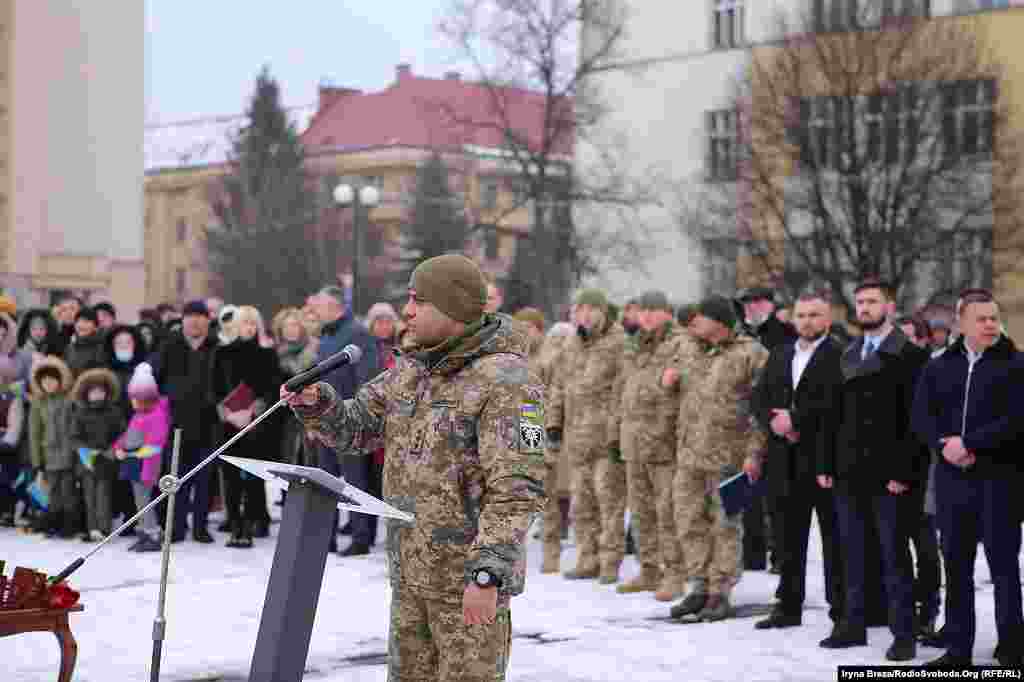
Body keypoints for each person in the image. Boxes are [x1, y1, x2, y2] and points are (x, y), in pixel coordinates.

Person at [282, 254, 545, 682]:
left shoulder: (508, 383)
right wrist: (318, 404)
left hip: (467, 586)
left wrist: (486, 574)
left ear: (453, 308)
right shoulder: (413, 369)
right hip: (411, 576)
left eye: (418, 301)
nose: (407, 311)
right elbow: (357, 428)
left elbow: (519, 489)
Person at [818, 280, 929, 662]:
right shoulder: (847, 353)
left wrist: (904, 471)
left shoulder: (911, 356)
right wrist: (826, 464)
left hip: (890, 475)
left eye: (872, 302)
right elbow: (833, 417)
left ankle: (904, 633)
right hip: (849, 471)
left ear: (890, 307)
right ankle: (852, 625)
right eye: (860, 302)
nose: (864, 308)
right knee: (852, 551)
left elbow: (916, 421)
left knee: (894, 556)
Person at [912, 289, 1024, 668]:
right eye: (982, 318)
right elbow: (921, 417)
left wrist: (971, 443)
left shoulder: (1016, 365)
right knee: (956, 569)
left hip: (1000, 482)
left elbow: (1017, 420)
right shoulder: (940, 366)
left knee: (1004, 569)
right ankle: (958, 651)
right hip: (952, 482)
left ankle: (1012, 648)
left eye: (994, 317)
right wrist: (944, 445)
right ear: (961, 323)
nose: (991, 324)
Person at [667, 296, 768, 622]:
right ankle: (698, 586)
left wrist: (755, 452)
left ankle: (720, 591)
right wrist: (666, 382)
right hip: (689, 455)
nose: (694, 321)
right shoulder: (690, 348)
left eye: (701, 317)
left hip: (730, 457)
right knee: (688, 520)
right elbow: (671, 390)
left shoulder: (750, 353)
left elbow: (761, 410)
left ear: (720, 320)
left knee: (725, 525)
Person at [752, 290, 845, 630]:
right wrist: (775, 422)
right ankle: (788, 605)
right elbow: (759, 397)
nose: (807, 321)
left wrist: (797, 420)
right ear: (793, 319)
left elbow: (838, 404)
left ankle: (841, 610)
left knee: (835, 541)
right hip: (782, 459)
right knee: (788, 538)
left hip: (823, 460)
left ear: (828, 318)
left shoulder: (840, 355)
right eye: (802, 315)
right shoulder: (779, 354)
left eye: (814, 315)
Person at [614, 291, 693, 602]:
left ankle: (675, 573)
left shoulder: (680, 343)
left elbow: (682, 385)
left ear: (667, 312)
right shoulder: (634, 344)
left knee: (668, 512)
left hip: (664, 442)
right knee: (641, 511)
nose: (646, 316)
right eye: (642, 310)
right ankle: (649, 569)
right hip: (633, 441)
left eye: (653, 310)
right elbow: (622, 391)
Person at [546, 289, 626, 583]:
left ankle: (609, 561)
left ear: (602, 312)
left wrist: (618, 434)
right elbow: (558, 385)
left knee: (610, 502)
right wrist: (553, 424)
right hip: (576, 438)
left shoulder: (618, 343)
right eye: (579, 309)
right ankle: (587, 557)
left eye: (590, 309)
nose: (584, 315)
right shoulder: (571, 344)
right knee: (581, 504)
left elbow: (623, 392)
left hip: (606, 439)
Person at [308, 285, 378, 556]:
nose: (315, 310)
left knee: (354, 480)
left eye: (320, 305)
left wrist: (356, 415)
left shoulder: (358, 333)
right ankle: (328, 536)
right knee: (326, 480)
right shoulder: (327, 336)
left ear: (335, 306)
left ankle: (360, 536)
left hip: (349, 420)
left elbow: (366, 378)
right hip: (324, 418)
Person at [210, 306, 280, 547]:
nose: (249, 327)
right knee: (229, 479)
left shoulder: (267, 354)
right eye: (245, 323)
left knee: (252, 478)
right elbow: (214, 388)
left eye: (253, 323)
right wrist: (227, 413)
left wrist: (253, 413)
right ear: (236, 325)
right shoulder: (223, 353)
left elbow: (272, 389)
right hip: (228, 424)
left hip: (256, 426)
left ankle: (249, 527)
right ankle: (234, 525)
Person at [152, 300, 219, 544]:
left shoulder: (217, 347)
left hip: (209, 424)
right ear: (183, 321)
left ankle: (200, 526)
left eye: (200, 317)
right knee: (176, 477)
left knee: (205, 479)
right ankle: (176, 526)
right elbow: (154, 379)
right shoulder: (170, 347)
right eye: (190, 317)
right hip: (176, 424)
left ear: (207, 321)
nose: (195, 321)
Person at [113, 363, 171, 552]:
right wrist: (119, 446)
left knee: (144, 500)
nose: (134, 403)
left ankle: (152, 533)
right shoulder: (138, 415)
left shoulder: (156, 415)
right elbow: (128, 435)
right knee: (138, 500)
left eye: (137, 399)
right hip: (133, 463)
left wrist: (134, 453)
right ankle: (144, 531)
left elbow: (156, 443)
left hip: (146, 465)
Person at [534, 320, 574, 573]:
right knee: (551, 500)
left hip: (564, 436)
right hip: (552, 435)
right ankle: (551, 556)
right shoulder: (543, 364)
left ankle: (552, 556)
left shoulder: (569, 363)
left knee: (551, 500)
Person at [69, 368, 125, 541]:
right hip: (87, 462)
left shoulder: (114, 412)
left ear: (107, 392)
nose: (97, 395)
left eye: (100, 391)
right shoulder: (80, 413)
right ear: (86, 393)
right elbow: (74, 437)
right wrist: (84, 450)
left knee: (104, 496)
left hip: (106, 461)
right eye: (93, 391)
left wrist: (113, 449)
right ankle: (91, 528)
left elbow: (122, 435)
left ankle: (104, 528)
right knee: (89, 496)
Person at [28, 356, 76, 537]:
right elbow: (34, 433)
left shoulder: (69, 401)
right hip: (48, 456)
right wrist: (37, 460)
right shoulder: (38, 403)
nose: (48, 384)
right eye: (44, 381)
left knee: (68, 491)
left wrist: (74, 452)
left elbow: (74, 428)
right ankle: (53, 522)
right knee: (52, 492)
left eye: (52, 380)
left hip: (67, 454)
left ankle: (70, 525)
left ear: (60, 380)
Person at [272, 307, 319, 469]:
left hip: (309, 414)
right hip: (283, 417)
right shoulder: (274, 354)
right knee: (286, 462)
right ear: (280, 330)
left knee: (310, 462)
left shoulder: (313, 352)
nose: (291, 329)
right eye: (286, 326)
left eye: (294, 325)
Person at [0, 356, 26, 526]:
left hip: (5, 446)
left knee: (6, 479)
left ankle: (7, 511)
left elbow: (15, 424)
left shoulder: (12, 397)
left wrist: (6, 441)